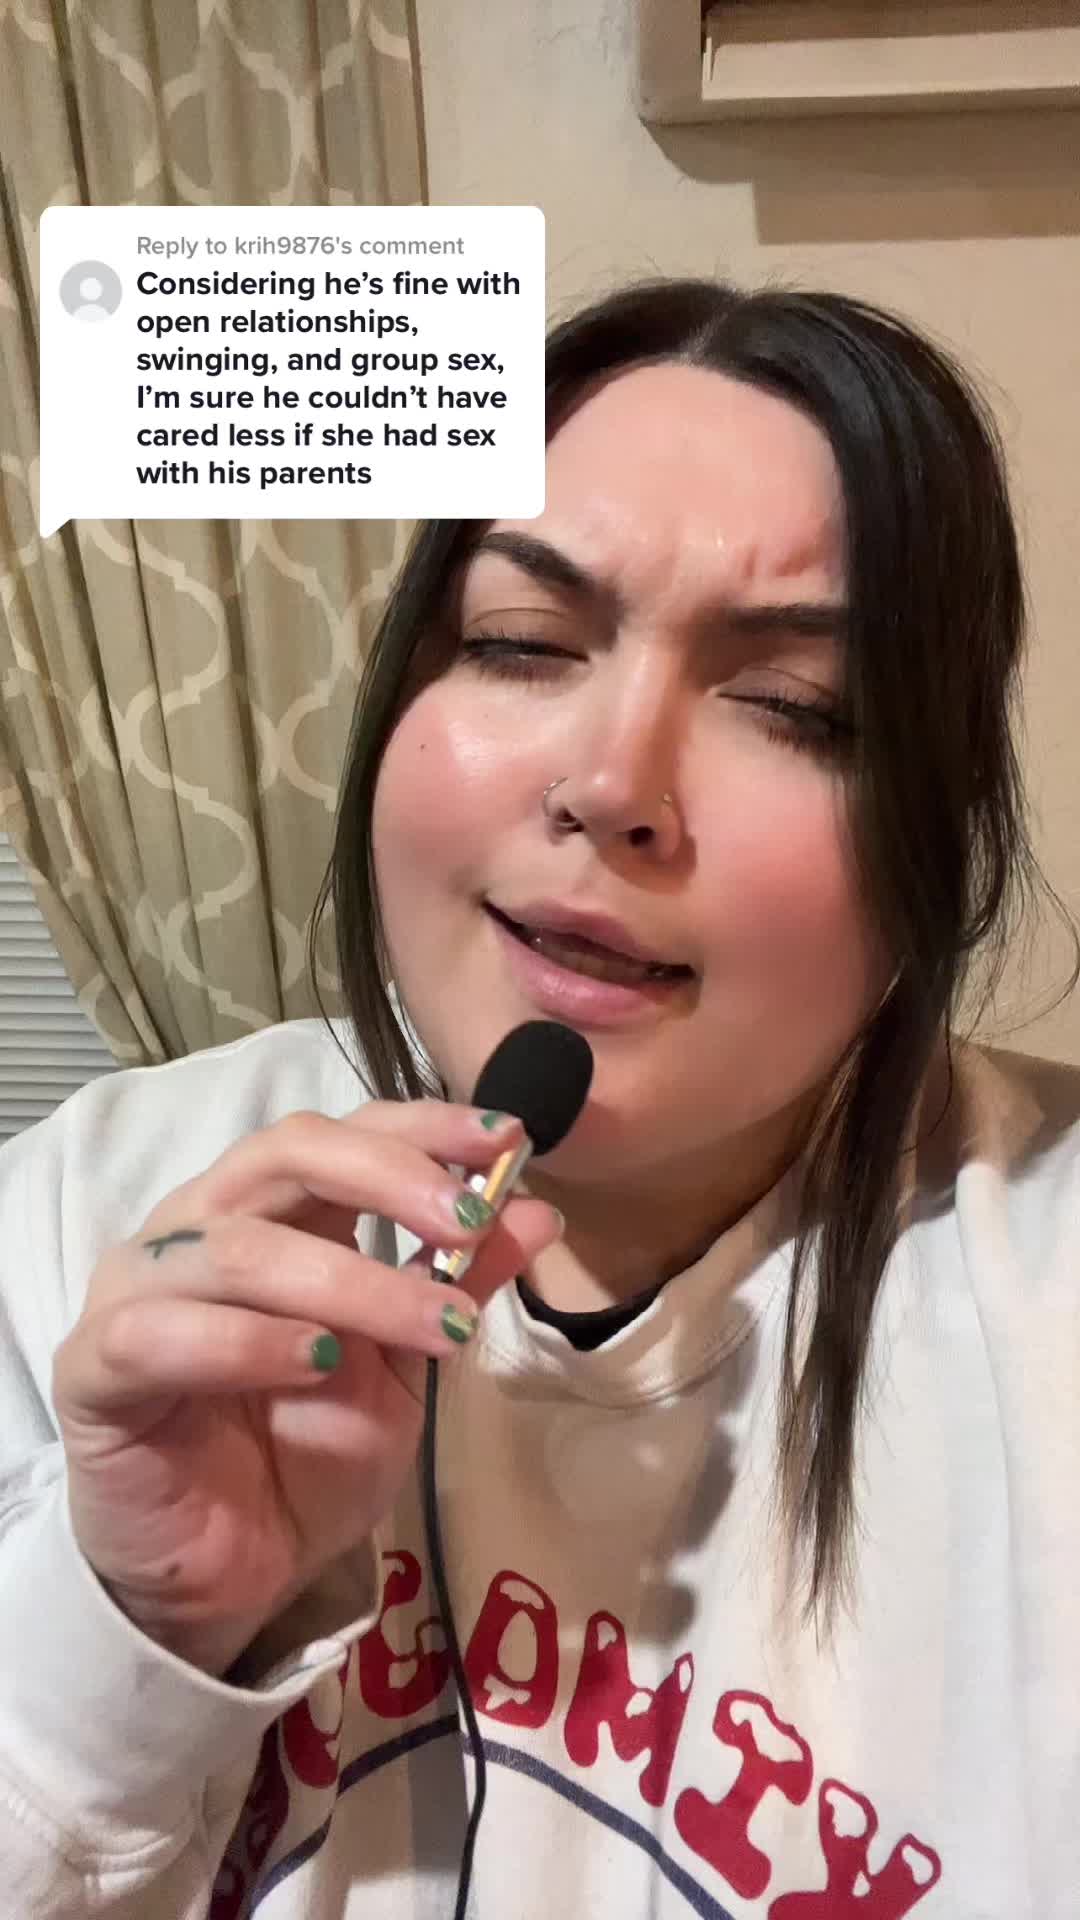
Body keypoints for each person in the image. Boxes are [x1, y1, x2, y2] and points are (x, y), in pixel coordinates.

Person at [1, 276, 1078, 1920]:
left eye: (793, 707)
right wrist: (124, 1635)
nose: (612, 784)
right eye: (519, 643)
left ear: (933, 840)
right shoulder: (81, 1217)